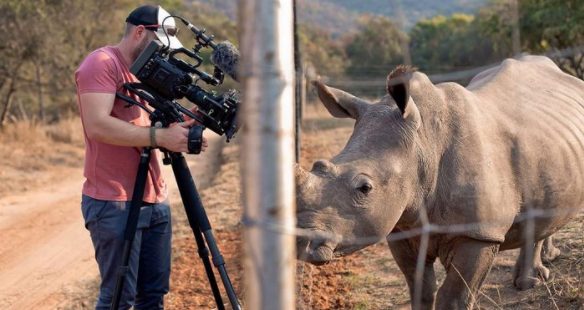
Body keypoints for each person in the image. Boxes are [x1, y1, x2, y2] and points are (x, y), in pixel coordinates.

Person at [75, 4, 206, 309]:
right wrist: (159, 137)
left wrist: (181, 130)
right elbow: (97, 124)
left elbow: (145, 124)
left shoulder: (145, 69)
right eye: (161, 44)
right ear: (139, 33)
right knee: (118, 298)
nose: (164, 53)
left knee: (153, 297)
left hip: (154, 199)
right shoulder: (102, 62)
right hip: (113, 201)